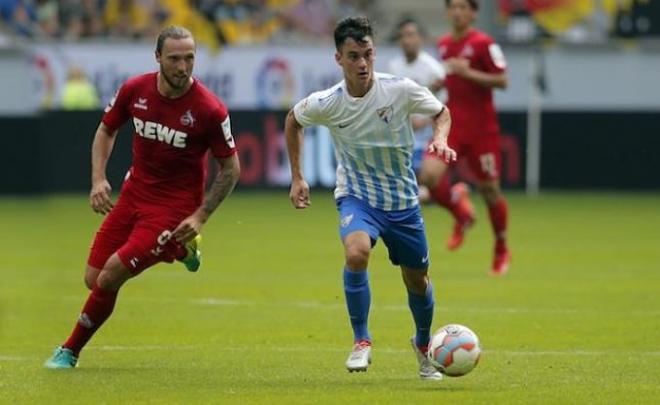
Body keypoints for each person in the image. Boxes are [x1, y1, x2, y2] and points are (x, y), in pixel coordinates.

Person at [44, 26, 241, 369]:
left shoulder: (210, 109)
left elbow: (231, 169)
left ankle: (69, 351)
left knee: (109, 278)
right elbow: (107, 128)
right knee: (93, 280)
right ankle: (182, 248)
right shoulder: (135, 90)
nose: (183, 67)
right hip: (134, 195)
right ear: (158, 58)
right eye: (175, 59)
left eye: (190, 58)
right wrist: (98, 179)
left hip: (174, 210)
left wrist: (200, 216)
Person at [285, 16, 456, 380]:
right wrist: (297, 176)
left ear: (374, 53)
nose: (362, 64)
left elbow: (442, 112)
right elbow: (293, 121)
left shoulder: (400, 89)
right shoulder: (328, 102)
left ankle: (424, 346)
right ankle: (361, 341)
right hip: (357, 197)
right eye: (353, 56)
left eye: (367, 54)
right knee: (356, 252)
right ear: (338, 59)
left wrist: (440, 140)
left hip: (403, 202)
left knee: (418, 280)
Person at [418, 0, 511, 275]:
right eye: (453, 7)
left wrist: (466, 71)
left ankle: (501, 246)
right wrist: (440, 83)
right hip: (452, 126)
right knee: (429, 176)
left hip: (482, 130)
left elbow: (503, 80)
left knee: (490, 191)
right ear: (447, 12)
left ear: (473, 12)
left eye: (463, 7)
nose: (458, 12)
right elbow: (450, 82)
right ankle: (461, 211)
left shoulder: (484, 43)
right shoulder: (444, 44)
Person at [387, 17, 452, 204]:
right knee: (416, 191)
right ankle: (455, 198)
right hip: (402, 130)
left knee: (422, 186)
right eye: (402, 36)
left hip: (426, 133)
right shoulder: (394, 66)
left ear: (420, 39)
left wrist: (424, 122)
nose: (406, 40)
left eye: (411, 35)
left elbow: (444, 106)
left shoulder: (434, 69)